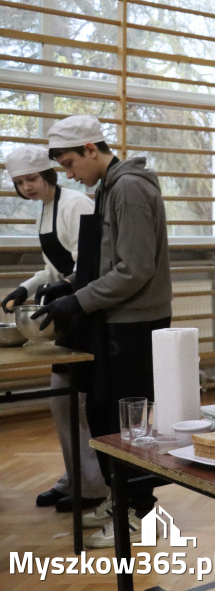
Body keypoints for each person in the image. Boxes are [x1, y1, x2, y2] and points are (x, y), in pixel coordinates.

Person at [33, 115, 172, 549]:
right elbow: (110, 262)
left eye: (72, 164)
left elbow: (134, 269)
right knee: (107, 417)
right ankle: (121, 499)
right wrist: (70, 284)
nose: (70, 175)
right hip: (116, 321)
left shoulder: (129, 188)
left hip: (135, 324)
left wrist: (78, 301)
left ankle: (139, 510)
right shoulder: (109, 186)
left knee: (129, 424)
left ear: (93, 149)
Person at [1, 145, 108, 514]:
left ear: (48, 173)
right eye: (19, 183)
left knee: (74, 402)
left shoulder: (75, 203)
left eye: (31, 179)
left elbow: (90, 263)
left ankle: (93, 487)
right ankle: (74, 478)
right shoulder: (45, 211)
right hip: (64, 310)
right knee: (62, 403)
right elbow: (52, 270)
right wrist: (25, 289)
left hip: (84, 309)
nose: (27, 187)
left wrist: (67, 286)